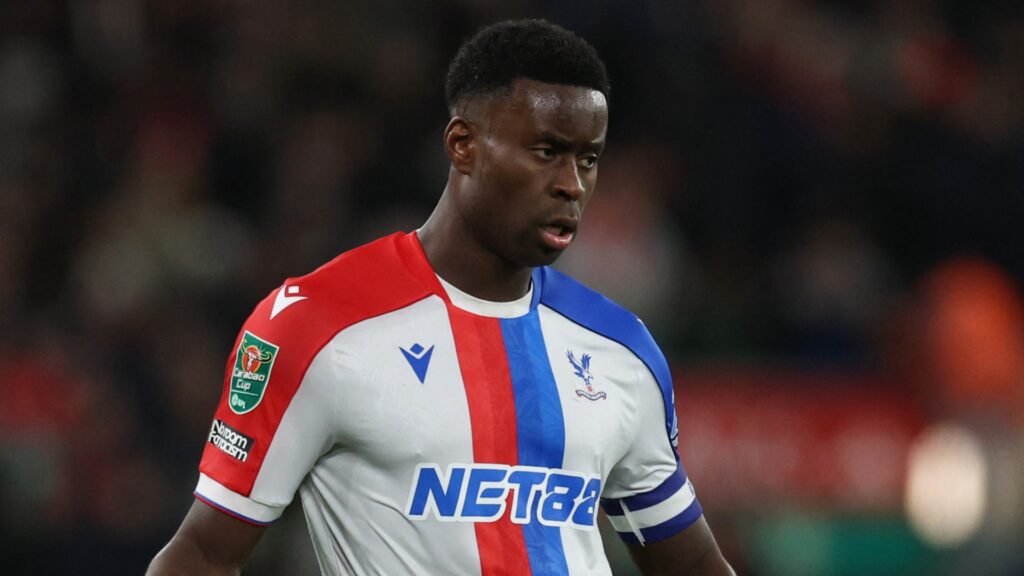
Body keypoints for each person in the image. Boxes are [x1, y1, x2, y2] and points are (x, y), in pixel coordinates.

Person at [148, 19, 733, 576]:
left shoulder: (620, 348)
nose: (571, 185)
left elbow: (693, 566)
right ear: (463, 145)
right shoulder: (316, 325)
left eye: (588, 159)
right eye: (546, 151)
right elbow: (201, 556)